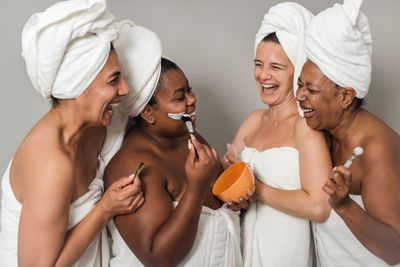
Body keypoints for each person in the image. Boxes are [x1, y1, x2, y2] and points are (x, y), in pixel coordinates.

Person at [0, 0, 159, 265]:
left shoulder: (97, 129)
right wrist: (105, 209)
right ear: (78, 85)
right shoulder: (51, 165)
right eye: (113, 80)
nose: (124, 89)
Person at [104, 36, 243, 265]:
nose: (192, 99)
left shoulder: (191, 138)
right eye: (180, 97)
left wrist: (235, 202)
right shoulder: (131, 165)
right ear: (148, 113)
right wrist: (196, 187)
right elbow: (157, 257)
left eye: (189, 90)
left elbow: (217, 205)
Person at [221, 2, 332, 267]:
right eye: (258, 64)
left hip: (284, 254)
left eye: (276, 67)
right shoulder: (253, 120)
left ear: (297, 71)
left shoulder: (305, 127)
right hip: (243, 248)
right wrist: (234, 196)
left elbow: (319, 206)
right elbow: (228, 190)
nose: (263, 75)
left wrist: (257, 190)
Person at [296, 0, 400, 266]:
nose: (299, 96)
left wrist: (344, 206)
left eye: (311, 90)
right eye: (299, 85)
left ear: (345, 96)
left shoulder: (375, 148)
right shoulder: (322, 129)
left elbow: (395, 250)